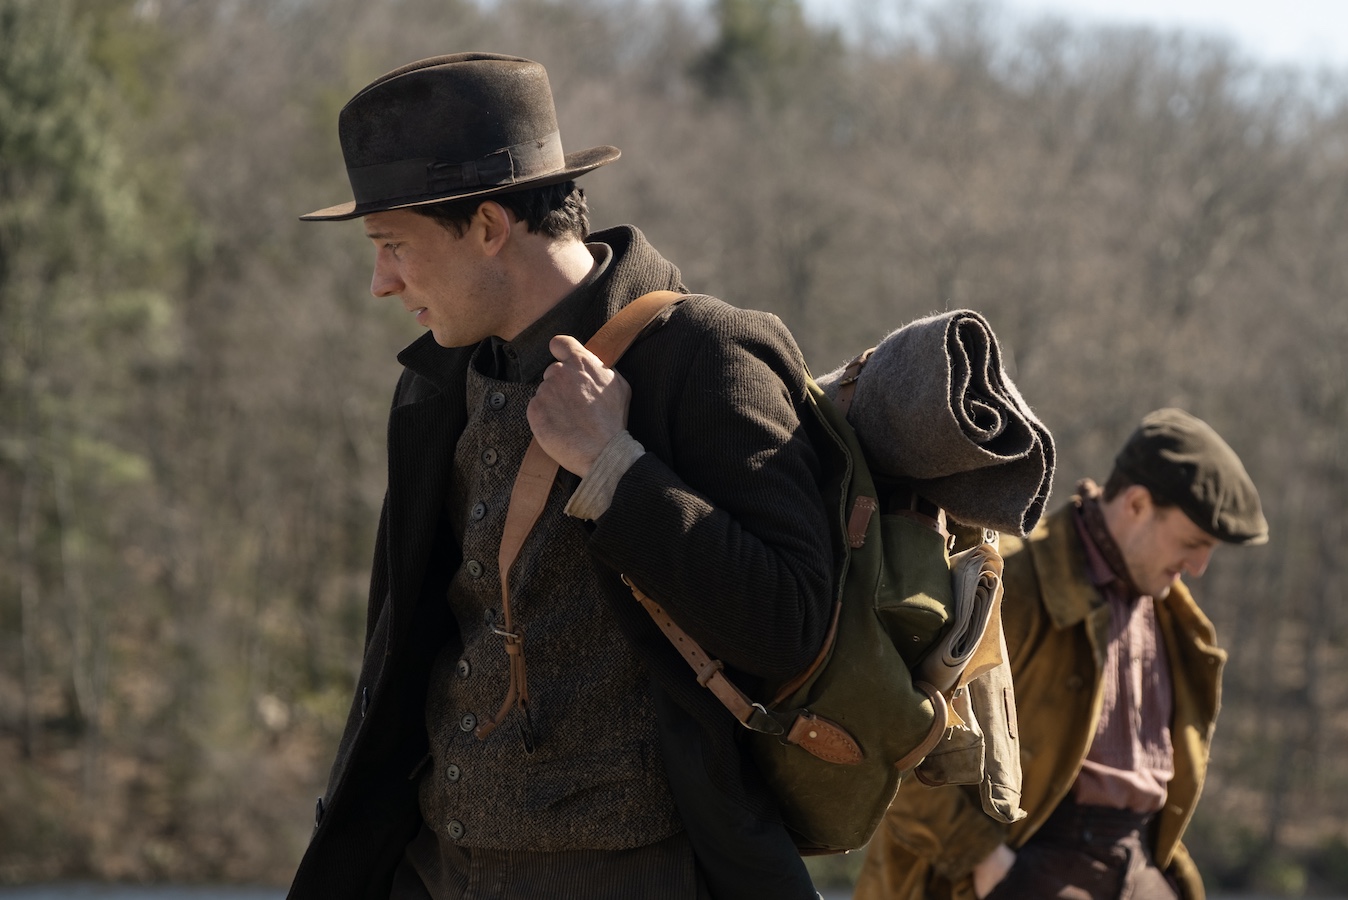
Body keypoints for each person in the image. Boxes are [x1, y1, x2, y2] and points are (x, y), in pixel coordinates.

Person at [286, 53, 835, 900]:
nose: (379, 283)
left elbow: (790, 623)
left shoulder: (707, 353)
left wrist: (615, 467)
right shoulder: (434, 384)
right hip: (432, 867)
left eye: (393, 246)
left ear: (489, 226)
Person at [854, 408, 1268, 900]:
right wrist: (987, 863)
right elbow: (895, 736)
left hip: (1137, 860)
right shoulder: (1008, 581)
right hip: (1023, 864)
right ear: (1137, 504)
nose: (1199, 566)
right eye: (1193, 542)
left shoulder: (1177, 618)